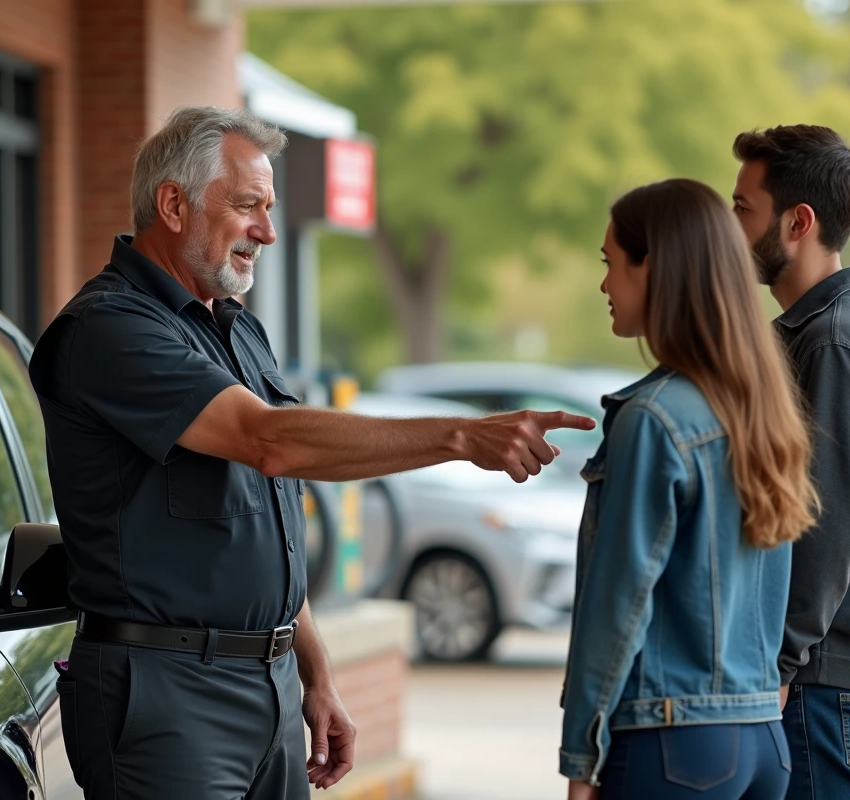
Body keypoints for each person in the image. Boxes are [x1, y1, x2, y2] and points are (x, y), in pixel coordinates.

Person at [30, 105, 595, 800]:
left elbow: (266, 521)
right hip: (165, 697)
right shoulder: (107, 331)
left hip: (266, 690)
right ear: (173, 205)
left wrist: (315, 672)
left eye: (268, 208)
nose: (266, 231)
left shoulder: (237, 332)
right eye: (247, 207)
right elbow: (270, 442)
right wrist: (460, 435)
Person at [560, 178, 819, 800]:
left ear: (657, 268)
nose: (603, 284)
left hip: (673, 742)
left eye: (611, 263)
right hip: (761, 738)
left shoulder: (655, 418)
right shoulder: (762, 410)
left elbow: (617, 601)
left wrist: (580, 758)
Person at [731, 125, 850, 800]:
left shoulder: (837, 341)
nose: (730, 229)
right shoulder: (826, 332)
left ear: (798, 222)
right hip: (832, 673)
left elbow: (828, 523)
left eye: (743, 209)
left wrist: (779, 663)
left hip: (823, 679)